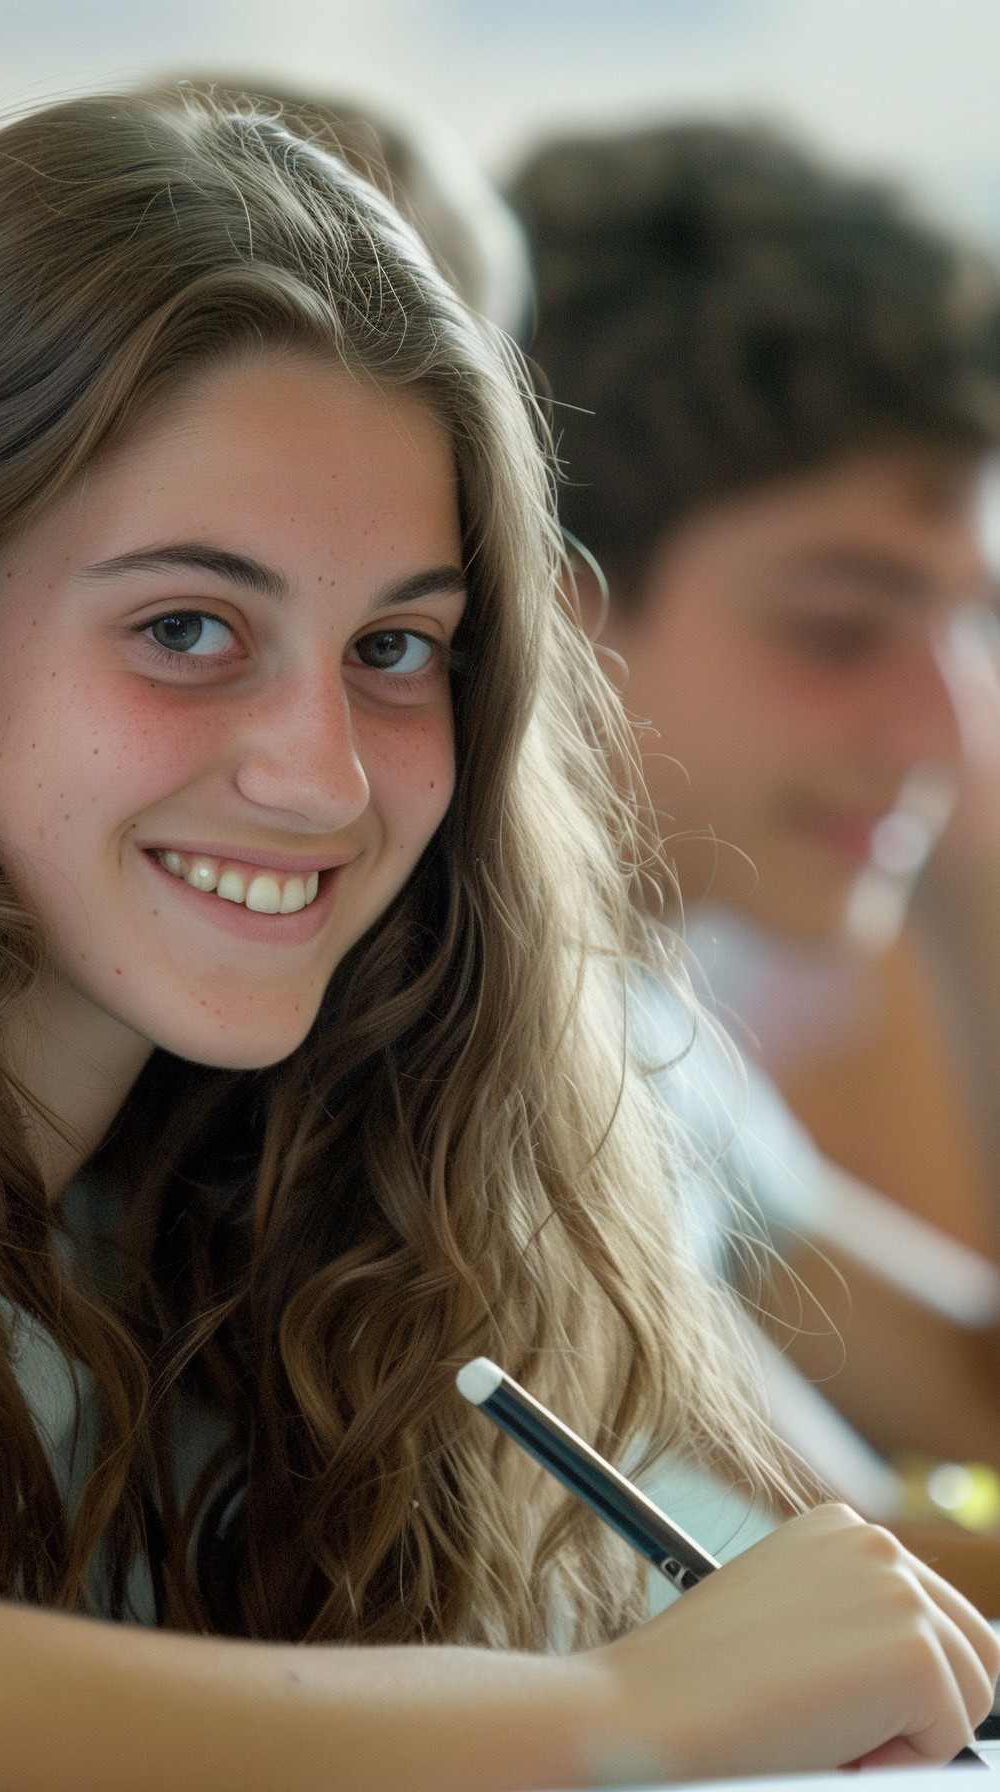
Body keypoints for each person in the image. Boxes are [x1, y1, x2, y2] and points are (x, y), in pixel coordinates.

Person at [0, 90, 996, 1790]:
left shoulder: (260, 1134)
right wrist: (631, 1712)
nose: (324, 776)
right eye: (188, 628)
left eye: (396, 650)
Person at [507, 123, 1000, 1479]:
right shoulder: (477, 1058)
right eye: (841, 631)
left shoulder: (644, 1018)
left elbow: (973, 1409)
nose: (951, 728)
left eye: (972, 625)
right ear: (544, 620)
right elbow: (872, 1566)